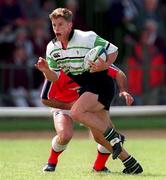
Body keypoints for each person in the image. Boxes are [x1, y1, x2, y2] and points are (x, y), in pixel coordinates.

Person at [35, 8, 143, 174]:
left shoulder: (86, 38)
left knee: (77, 113)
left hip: (101, 84)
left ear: (70, 25)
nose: (56, 28)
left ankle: (114, 136)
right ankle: (131, 163)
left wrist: (105, 65)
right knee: (99, 136)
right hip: (89, 87)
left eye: (61, 24)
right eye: (54, 25)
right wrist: (45, 70)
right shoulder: (52, 48)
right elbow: (55, 77)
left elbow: (113, 51)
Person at [41, 65, 128, 173]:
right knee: (65, 135)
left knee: (107, 136)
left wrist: (123, 90)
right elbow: (45, 99)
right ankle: (51, 162)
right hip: (64, 105)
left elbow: (118, 72)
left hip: (86, 106)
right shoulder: (57, 69)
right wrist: (71, 106)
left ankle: (99, 167)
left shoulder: (89, 60)